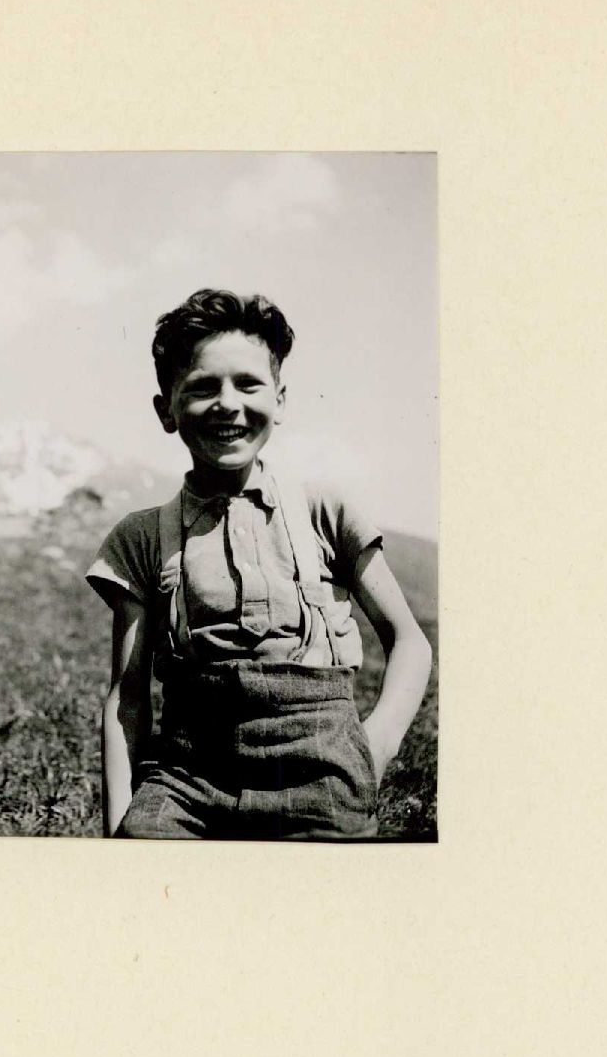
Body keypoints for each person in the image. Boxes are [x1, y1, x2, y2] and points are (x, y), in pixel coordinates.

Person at [86, 288, 433, 840]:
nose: (227, 403)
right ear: (166, 410)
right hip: (186, 780)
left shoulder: (325, 511)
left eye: (248, 384)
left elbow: (409, 640)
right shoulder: (142, 536)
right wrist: (120, 830)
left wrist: (379, 743)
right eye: (203, 387)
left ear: (281, 399)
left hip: (322, 773)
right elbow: (127, 698)